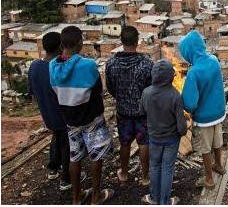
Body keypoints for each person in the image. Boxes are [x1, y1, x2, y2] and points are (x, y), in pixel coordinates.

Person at [49, 26, 113, 204]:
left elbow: (55, 91)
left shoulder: (52, 67)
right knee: (96, 155)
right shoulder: (88, 65)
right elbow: (98, 89)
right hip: (91, 117)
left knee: (74, 157)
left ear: (62, 44)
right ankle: (95, 196)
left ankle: (76, 198)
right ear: (80, 44)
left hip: (69, 119)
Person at [106, 26, 153, 185]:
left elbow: (110, 87)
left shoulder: (112, 64)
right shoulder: (147, 64)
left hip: (123, 112)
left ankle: (124, 173)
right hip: (142, 112)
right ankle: (145, 177)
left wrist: (122, 98)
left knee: (125, 142)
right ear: (137, 41)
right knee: (144, 142)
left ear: (121, 41)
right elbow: (150, 88)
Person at [28, 32, 75, 190]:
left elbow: (32, 93)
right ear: (61, 47)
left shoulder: (34, 66)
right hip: (62, 115)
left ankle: (53, 168)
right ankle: (66, 179)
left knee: (57, 136)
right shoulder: (58, 69)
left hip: (47, 115)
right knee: (66, 144)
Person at [180, 30, 226, 188]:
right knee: (217, 142)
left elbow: (190, 103)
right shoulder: (214, 61)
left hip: (204, 118)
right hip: (219, 113)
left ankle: (209, 179)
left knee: (206, 148)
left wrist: (185, 105)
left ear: (189, 52)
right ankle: (219, 165)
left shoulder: (194, 72)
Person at [140, 59, 187, 205]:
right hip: (171, 140)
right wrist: (182, 132)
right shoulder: (175, 96)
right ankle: (165, 201)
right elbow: (181, 126)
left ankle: (154, 198)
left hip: (154, 138)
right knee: (167, 168)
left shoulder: (146, 93)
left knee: (154, 166)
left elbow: (142, 112)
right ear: (170, 77)